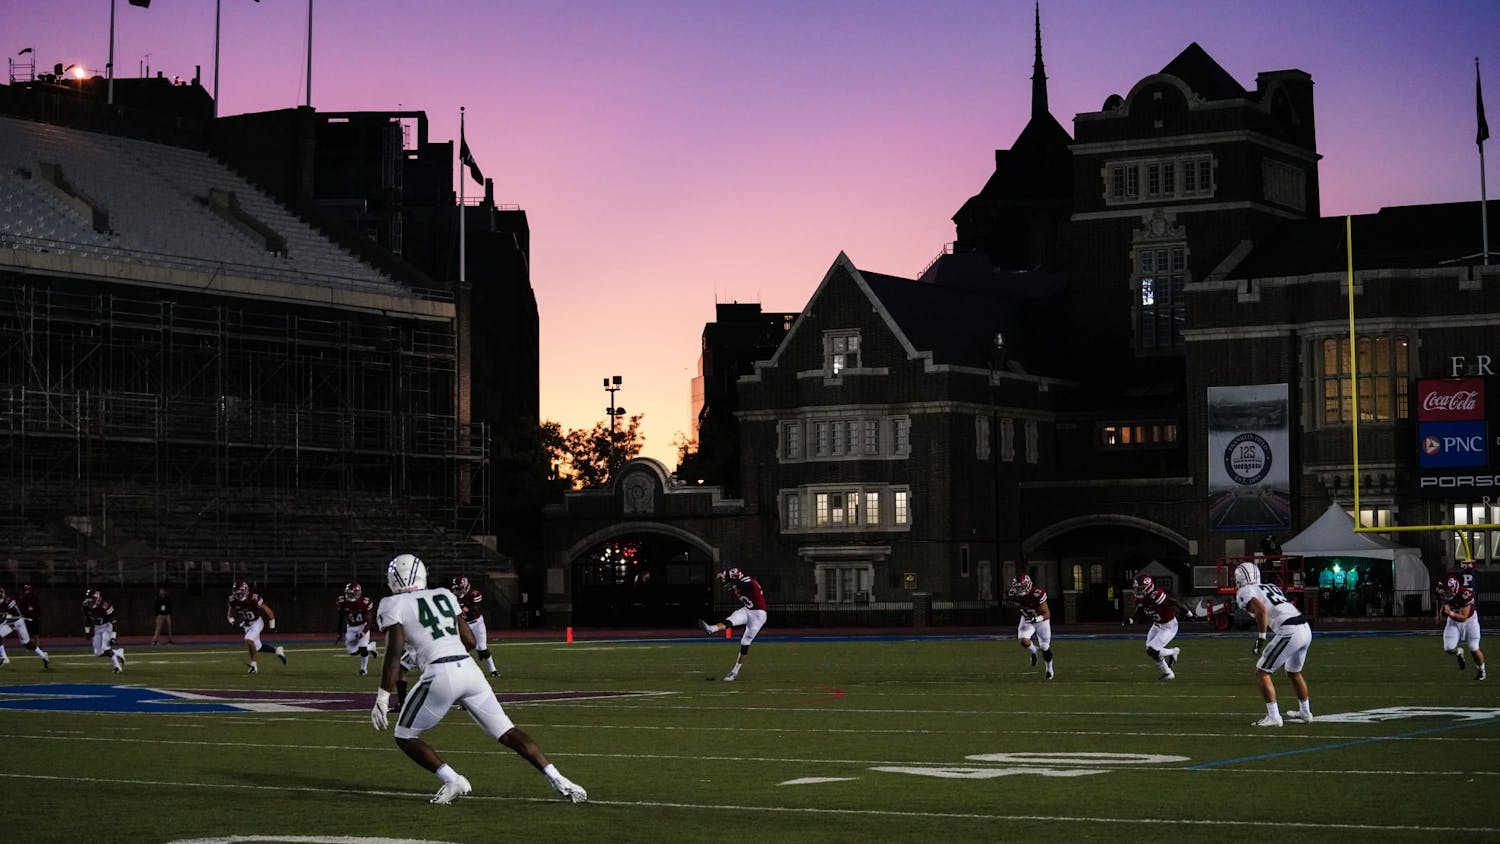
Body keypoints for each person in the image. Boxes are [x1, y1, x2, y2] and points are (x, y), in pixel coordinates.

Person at [369, 553, 587, 805]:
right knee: (508, 731)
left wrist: (383, 697)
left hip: (439, 673)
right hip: (469, 670)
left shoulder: (391, 604)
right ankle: (560, 779)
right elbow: (471, 641)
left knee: (405, 735)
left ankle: (453, 780)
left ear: (391, 580)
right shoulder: (444, 594)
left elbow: (393, 654)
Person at [1233, 561, 1313, 726]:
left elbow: (1261, 610)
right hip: (1305, 627)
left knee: (1262, 672)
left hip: (1290, 630)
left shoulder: (1245, 590)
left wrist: (1261, 637)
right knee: (1294, 672)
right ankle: (1305, 712)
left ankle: (1274, 717)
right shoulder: (1271, 586)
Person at [697, 566, 768, 682]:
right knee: (731, 619)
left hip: (759, 615)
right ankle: (711, 629)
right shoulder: (738, 585)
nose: (727, 584)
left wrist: (729, 578)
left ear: (736, 578)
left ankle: (735, 671)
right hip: (748, 610)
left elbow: (745, 585)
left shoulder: (748, 581)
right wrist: (725, 576)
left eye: (728, 581)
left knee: (745, 643)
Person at [226, 579, 288, 674]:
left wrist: (272, 624)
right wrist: (233, 622)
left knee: (248, 639)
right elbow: (229, 615)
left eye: (241, 592)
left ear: (246, 590)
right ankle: (277, 651)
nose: (239, 595)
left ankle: (253, 665)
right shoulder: (232, 600)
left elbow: (268, 611)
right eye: (237, 593)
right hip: (246, 625)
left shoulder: (253, 598)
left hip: (256, 623)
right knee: (257, 647)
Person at [1128, 574, 1181, 680]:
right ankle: (1168, 673)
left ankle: (1173, 652)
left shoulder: (1156, 595)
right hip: (1157, 625)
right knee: (1150, 650)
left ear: (1148, 587)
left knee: (1153, 650)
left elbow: (1173, 601)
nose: (1138, 591)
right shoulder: (1142, 598)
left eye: (1140, 588)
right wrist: (1132, 618)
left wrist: (1188, 612)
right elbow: (1139, 609)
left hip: (1168, 626)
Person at [1435, 575, 1485, 681]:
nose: (1446, 595)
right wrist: (1439, 613)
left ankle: (1481, 670)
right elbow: (1442, 599)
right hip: (1453, 622)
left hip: (1469, 621)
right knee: (1448, 648)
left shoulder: (1465, 594)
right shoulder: (1445, 592)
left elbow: (1463, 618)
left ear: (1454, 588)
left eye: (1448, 592)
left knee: (1473, 647)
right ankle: (1459, 652)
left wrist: (1450, 612)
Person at [1006, 572, 1054, 679]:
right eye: (1018, 587)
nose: (1020, 589)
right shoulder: (1013, 595)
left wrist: (1036, 618)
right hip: (1027, 619)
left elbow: (1047, 614)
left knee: (1044, 647)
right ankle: (1034, 651)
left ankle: (1049, 669)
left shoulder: (1037, 594)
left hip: (1041, 620)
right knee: (1023, 640)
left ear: (1028, 584)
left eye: (1022, 586)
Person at [451, 575, 499, 676]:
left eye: (459, 589)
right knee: (460, 647)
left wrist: (462, 606)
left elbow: (473, 612)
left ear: (466, 587)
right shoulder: (453, 597)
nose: (457, 591)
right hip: (463, 624)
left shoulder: (474, 594)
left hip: (477, 622)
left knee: (482, 648)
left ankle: (493, 671)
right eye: (456, 589)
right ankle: (460, 668)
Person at [0, 585, 49, 668]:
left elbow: (17, 615)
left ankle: (43, 655)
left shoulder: (8, 600)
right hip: (9, 624)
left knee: (26, 643)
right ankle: (5, 658)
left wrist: (6, 616)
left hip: (18, 622)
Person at [336, 581, 379, 675]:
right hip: (351, 627)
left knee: (362, 648)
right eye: (349, 594)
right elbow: (341, 617)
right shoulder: (342, 602)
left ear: (358, 593)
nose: (350, 596)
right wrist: (339, 632)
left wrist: (363, 632)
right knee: (352, 652)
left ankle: (364, 669)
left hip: (362, 625)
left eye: (353, 594)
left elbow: (369, 622)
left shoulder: (364, 603)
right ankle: (371, 647)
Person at [81, 588, 126, 673]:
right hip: (97, 628)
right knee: (98, 653)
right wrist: (87, 632)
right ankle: (118, 652)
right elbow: (87, 618)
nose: (89, 602)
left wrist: (113, 637)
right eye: (88, 599)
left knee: (105, 647)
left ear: (97, 598)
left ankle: (117, 667)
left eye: (91, 599)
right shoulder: (85, 606)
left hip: (107, 626)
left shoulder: (105, 606)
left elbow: (114, 622)